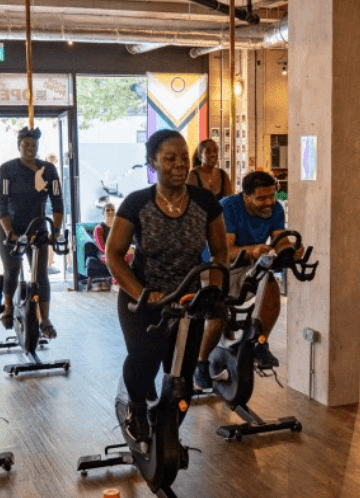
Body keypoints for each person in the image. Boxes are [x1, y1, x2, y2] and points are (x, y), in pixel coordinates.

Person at [104, 129, 228, 445]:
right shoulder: (137, 203)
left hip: (188, 300)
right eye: (170, 158)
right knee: (145, 358)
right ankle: (135, 408)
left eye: (184, 158)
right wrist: (144, 295)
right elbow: (113, 255)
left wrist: (213, 290)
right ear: (153, 162)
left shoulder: (205, 201)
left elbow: (219, 252)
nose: (179, 165)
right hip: (143, 297)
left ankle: (167, 431)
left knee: (182, 378)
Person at [193, 171, 290, 389]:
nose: (269, 202)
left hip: (246, 266)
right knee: (217, 314)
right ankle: (201, 363)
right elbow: (223, 252)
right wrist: (252, 250)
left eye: (271, 196)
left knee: (269, 282)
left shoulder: (275, 208)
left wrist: (290, 250)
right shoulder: (229, 207)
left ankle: (260, 343)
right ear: (246, 197)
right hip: (215, 268)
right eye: (261, 198)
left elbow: (280, 240)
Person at [0, 127, 64, 338]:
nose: (30, 148)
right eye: (25, 145)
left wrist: (56, 231)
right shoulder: (7, 170)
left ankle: (45, 320)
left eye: (34, 145)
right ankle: (8, 308)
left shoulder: (49, 170)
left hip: (37, 224)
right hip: (9, 224)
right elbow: (1, 205)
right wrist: (10, 233)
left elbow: (58, 203)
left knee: (41, 273)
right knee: (12, 268)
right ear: (19, 146)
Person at [93, 202, 132, 287]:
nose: (110, 212)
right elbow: (102, 248)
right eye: (108, 210)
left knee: (130, 255)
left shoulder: (118, 227)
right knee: (115, 259)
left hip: (118, 251)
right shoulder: (99, 228)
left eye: (112, 210)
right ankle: (119, 280)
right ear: (103, 213)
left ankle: (119, 280)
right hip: (104, 254)